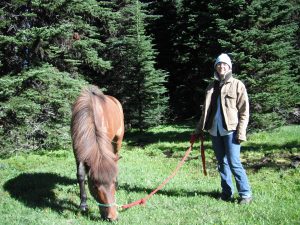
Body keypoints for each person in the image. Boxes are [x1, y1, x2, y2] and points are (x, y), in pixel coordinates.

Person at [192, 53, 252, 204]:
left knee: (234, 162)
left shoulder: (238, 85)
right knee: (221, 163)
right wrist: (197, 131)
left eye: (224, 64)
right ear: (216, 67)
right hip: (215, 130)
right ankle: (227, 193)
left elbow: (244, 112)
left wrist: (241, 132)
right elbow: (205, 112)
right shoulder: (211, 86)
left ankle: (245, 194)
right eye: (219, 64)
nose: (221, 66)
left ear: (229, 67)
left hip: (231, 131)